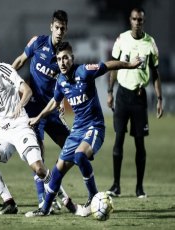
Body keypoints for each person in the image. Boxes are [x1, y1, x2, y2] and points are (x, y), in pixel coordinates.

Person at [0, 35, 82, 215]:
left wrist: (20, 105)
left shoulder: (4, 69)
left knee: (39, 168)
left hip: (20, 126)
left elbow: (26, 90)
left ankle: (67, 201)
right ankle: (9, 202)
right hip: (3, 132)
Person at [25, 41, 142, 217]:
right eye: (58, 59)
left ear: (72, 59)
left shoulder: (84, 71)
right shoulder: (61, 81)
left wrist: (131, 65)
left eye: (65, 58)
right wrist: (39, 117)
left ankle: (93, 196)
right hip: (77, 130)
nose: (62, 62)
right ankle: (44, 209)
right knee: (58, 169)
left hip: (95, 127)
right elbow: (54, 103)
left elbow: (108, 65)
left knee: (79, 156)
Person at [12, 9, 72, 211]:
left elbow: (66, 83)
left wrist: (63, 102)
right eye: (57, 27)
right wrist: (7, 79)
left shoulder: (65, 55)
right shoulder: (37, 42)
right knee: (38, 154)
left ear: (66, 29)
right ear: (51, 27)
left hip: (52, 110)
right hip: (33, 109)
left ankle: (51, 184)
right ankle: (42, 199)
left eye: (63, 28)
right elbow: (20, 60)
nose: (59, 31)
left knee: (72, 148)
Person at [106, 8, 163, 198]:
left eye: (140, 20)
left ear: (143, 22)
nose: (137, 22)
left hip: (139, 98)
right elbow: (113, 67)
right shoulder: (122, 39)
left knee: (140, 143)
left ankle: (139, 188)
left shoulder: (150, 43)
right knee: (118, 140)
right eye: (134, 19)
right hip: (122, 95)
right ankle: (116, 186)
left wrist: (159, 99)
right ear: (130, 20)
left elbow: (155, 73)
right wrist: (109, 92)